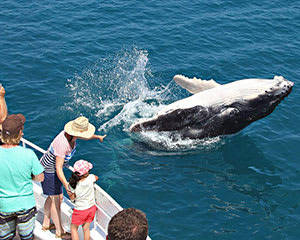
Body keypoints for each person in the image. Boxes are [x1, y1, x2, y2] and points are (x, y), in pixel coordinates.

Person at [39, 116, 106, 239]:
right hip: (49, 171)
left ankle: (46, 222)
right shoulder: (62, 143)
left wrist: (97, 137)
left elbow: (85, 136)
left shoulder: (71, 135)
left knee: (53, 197)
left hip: (54, 169)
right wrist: (66, 185)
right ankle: (59, 231)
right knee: (57, 199)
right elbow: (58, 168)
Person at [0, 114, 44, 240]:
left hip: (3, 206)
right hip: (25, 205)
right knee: (27, 237)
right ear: (20, 133)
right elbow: (40, 177)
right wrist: (28, 177)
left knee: (5, 237)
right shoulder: (28, 154)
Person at [67, 160, 98, 240]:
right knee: (86, 228)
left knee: (74, 229)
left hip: (80, 210)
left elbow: (72, 197)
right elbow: (96, 177)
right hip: (91, 208)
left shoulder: (73, 184)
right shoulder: (90, 178)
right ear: (86, 173)